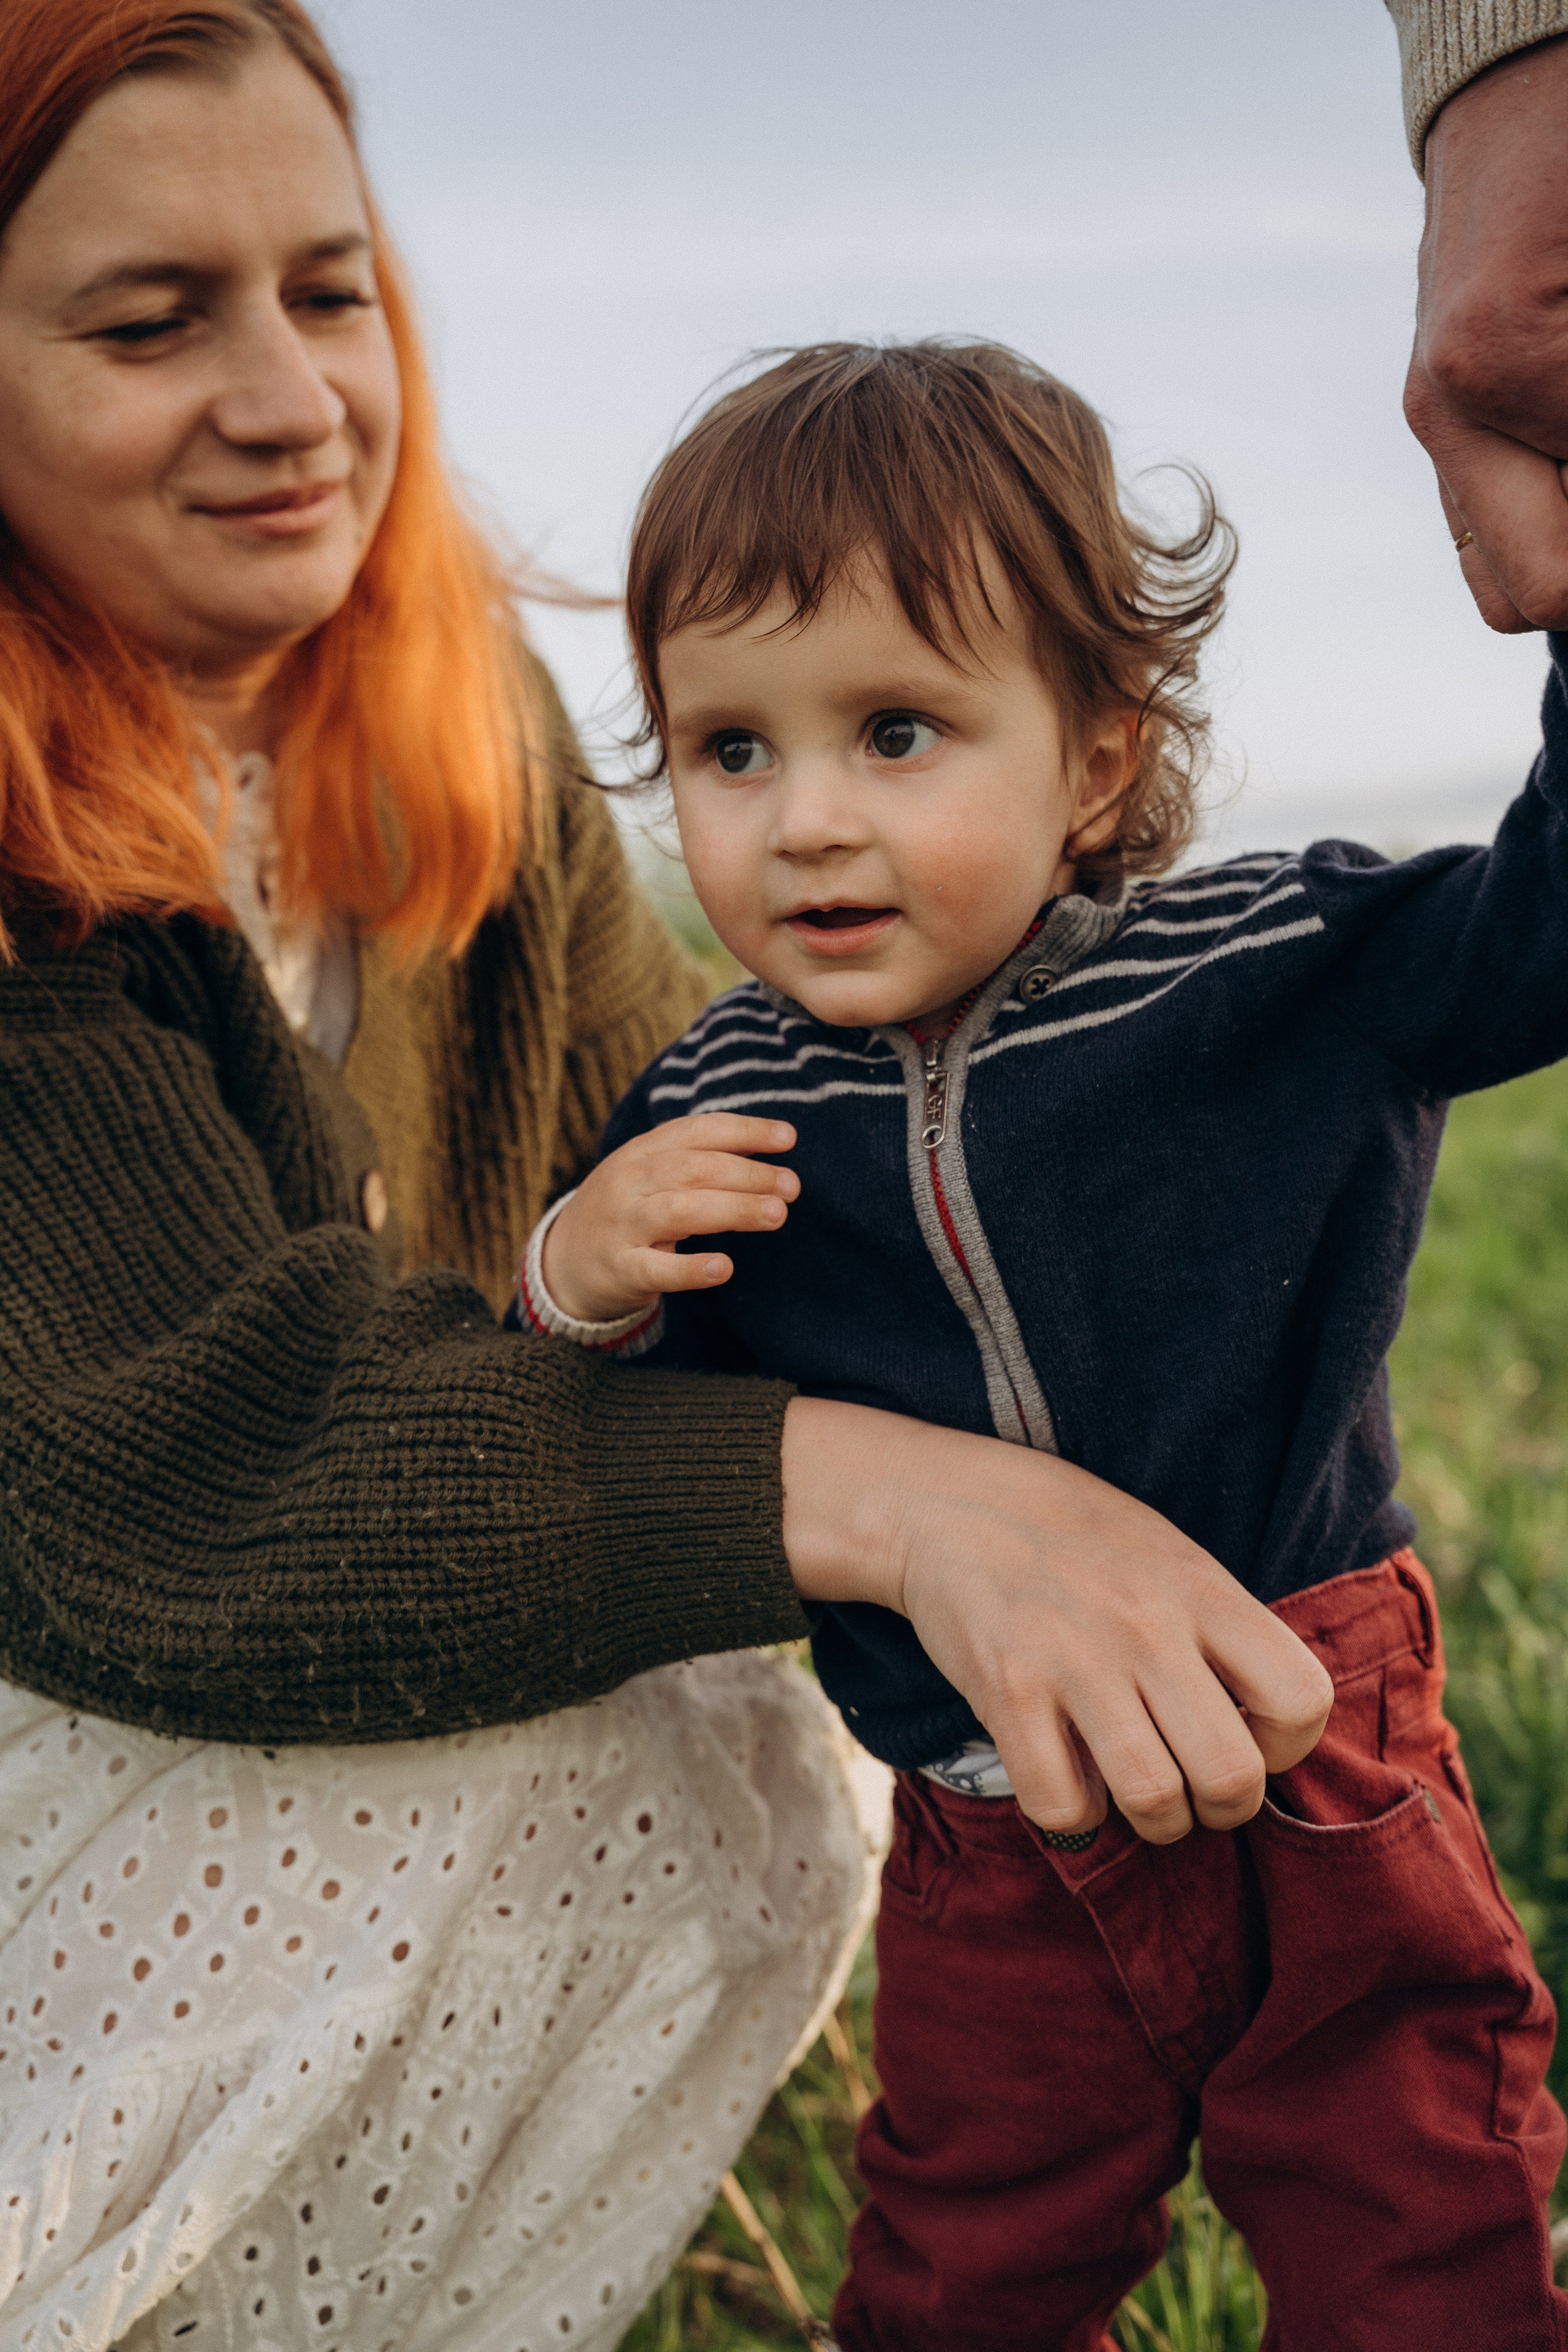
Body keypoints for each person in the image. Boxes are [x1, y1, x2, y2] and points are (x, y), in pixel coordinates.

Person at [0, 4, 1336, 2349]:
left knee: (772, 1732)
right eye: (147, 323)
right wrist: (913, 1502)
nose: (294, 400)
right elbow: (188, 1479)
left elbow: (726, 1173)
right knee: (576, 1770)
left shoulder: (459, 715)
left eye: (330, 290)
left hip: (298, 1637)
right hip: (76, 1669)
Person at [527, 335, 1568, 2348]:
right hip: (989, 1825)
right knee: (966, 2257)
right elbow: (617, 1454)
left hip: (1307, 1744)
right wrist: (579, 1269)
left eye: (895, 731)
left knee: (1414, 2215)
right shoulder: (718, 1100)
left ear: (1095, 754)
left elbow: (1543, 925)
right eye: (732, 750)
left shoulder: (1265, 970)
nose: (805, 821)